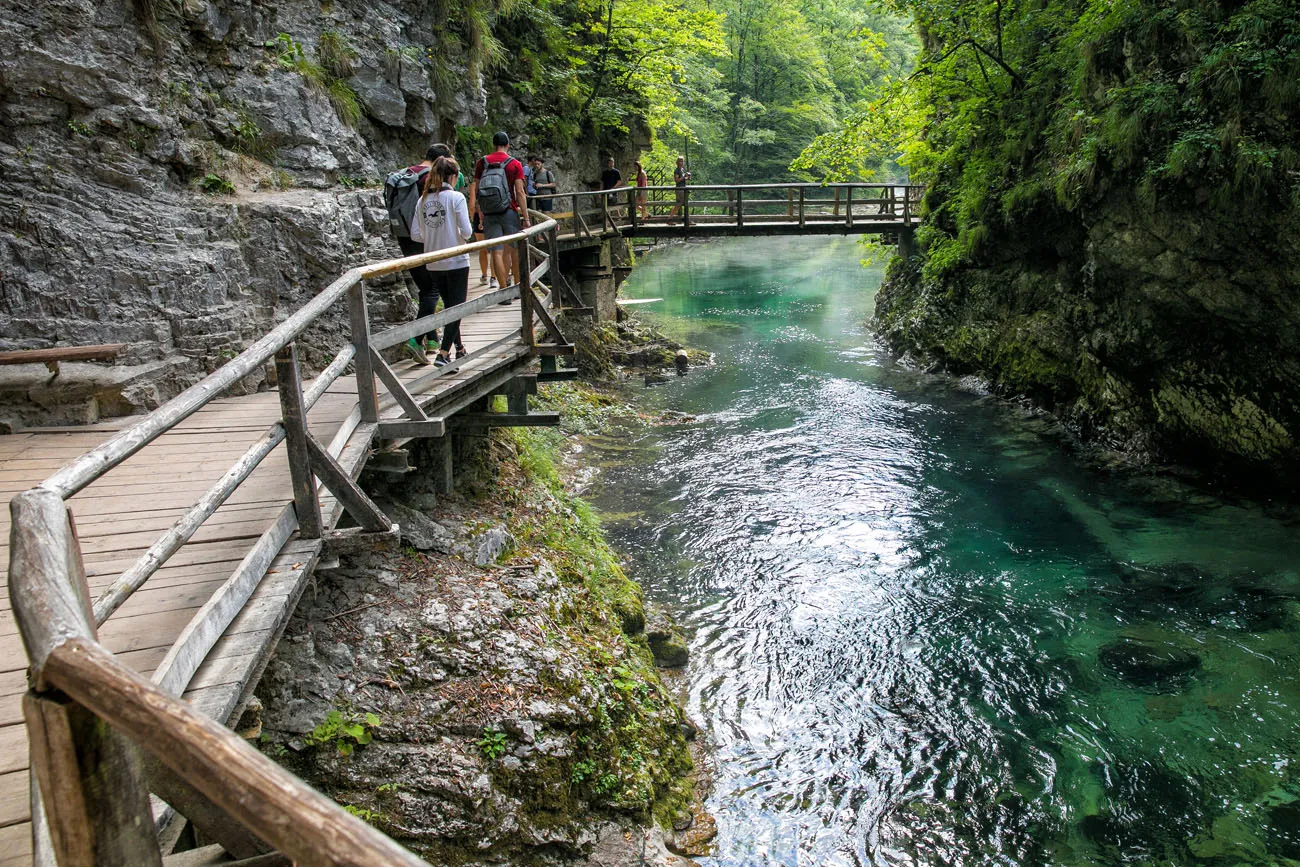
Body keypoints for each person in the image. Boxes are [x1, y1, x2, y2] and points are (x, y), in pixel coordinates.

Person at [384, 144, 450, 362]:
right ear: (440, 159)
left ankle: (431, 339)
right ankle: (415, 339)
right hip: (424, 240)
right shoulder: (429, 178)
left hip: (404, 237)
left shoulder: (408, 173)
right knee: (432, 290)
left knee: (424, 288)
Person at [410, 157, 474, 367]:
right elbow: (467, 232)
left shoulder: (423, 200)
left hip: (434, 262)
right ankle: (444, 354)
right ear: (453, 176)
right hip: (456, 260)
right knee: (457, 308)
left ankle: (460, 349)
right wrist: (451, 233)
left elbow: (416, 234)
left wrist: (433, 236)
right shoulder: (456, 198)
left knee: (449, 307)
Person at [469, 131, 531, 293]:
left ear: (494, 144)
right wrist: (526, 217)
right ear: (508, 145)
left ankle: (504, 291)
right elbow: (519, 192)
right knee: (513, 250)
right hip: (509, 211)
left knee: (496, 252)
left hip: (489, 213)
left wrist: (480, 214)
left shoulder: (482, 163)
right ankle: (518, 288)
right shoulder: (514, 164)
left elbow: (476, 190)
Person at [669, 156, 691, 220]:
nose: (681, 162)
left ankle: (670, 219)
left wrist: (687, 177)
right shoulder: (677, 170)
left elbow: (683, 179)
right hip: (679, 190)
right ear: (677, 162)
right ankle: (687, 220)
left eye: (682, 161)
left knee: (679, 205)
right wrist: (684, 176)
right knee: (681, 205)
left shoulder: (682, 170)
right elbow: (677, 180)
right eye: (680, 161)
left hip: (683, 189)